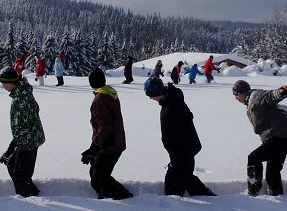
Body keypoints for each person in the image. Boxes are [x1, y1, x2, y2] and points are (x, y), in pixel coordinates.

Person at [143, 77, 216, 197]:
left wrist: (175, 155)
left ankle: (174, 205)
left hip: (182, 150)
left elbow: (178, 134)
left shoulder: (171, 107)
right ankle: (205, 196)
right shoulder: (173, 99)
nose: (151, 98)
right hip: (186, 148)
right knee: (185, 177)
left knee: (177, 178)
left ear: (158, 93)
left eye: (150, 95)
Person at [232, 80, 287, 196]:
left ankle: (253, 191)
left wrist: (281, 92)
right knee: (272, 172)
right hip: (283, 136)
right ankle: (276, 195)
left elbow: (271, 96)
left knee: (254, 158)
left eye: (236, 94)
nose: (236, 98)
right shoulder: (250, 103)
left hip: (280, 136)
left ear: (243, 92)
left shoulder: (256, 96)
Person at [81, 68, 133, 200]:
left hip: (110, 145)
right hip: (114, 142)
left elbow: (105, 128)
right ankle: (112, 197)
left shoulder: (100, 99)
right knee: (96, 173)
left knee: (98, 179)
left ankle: (123, 199)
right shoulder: (109, 94)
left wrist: (94, 148)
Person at [0, 67, 45, 197]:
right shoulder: (22, 92)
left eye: (3, 83)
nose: (3, 87)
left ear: (10, 82)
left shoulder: (21, 99)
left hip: (29, 141)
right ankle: (31, 191)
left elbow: (23, 130)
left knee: (19, 175)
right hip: (29, 138)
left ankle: (27, 202)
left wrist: (10, 148)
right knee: (13, 164)